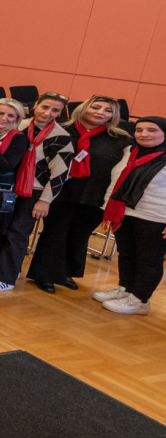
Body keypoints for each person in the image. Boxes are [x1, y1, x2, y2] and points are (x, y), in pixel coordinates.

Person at [26, 96, 130, 294]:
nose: (100, 113)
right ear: (85, 107)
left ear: (113, 115)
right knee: (55, 234)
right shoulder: (60, 129)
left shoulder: (120, 139)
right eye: (96, 107)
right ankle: (44, 274)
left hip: (94, 195)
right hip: (61, 192)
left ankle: (65, 272)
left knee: (79, 237)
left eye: (107, 110)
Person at [0, 93, 74, 293]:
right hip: (8, 187)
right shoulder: (18, 124)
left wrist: (45, 201)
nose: (48, 113)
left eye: (55, 110)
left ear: (61, 114)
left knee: (17, 233)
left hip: (34, 191)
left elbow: (61, 173)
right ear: (35, 105)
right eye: (44, 107)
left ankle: (6, 278)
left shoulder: (61, 136)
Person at [93, 117, 166, 315]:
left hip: (156, 217)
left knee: (148, 260)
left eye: (152, 130)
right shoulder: (130, 151)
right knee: (127, 254)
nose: (144, 134)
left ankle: (140, 300)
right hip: (125, 212)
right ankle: (125, 289)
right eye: (139, 129)